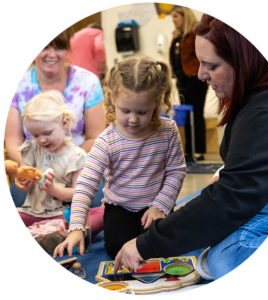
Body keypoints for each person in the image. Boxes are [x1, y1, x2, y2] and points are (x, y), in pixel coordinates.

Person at [113, 13, 268, 281]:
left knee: (223, 258)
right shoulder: (256, 97)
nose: (200, 74)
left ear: (243, 62)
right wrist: (226, 172)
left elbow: (231, 199)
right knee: (186, 211)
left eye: (210, 65)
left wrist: (146, 244)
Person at [53, 57, 187, 259]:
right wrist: (77, 227)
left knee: (159, 247)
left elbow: (176, 171)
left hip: (155, 206)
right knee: (116, 249)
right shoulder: (107, 140)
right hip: (120, 207)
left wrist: (160, 205)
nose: (133, 119)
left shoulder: (168, 131)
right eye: (125, 110)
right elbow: (86, 184)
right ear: (112, 100)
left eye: (142, 112)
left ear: (157, 103)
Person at [5, 26, 106, 209]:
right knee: (20, 206)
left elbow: (96, 137)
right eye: (44, 47)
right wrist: (31, 170)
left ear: (67, 49)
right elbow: (13, 142)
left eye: (59, 47)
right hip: (33, 162)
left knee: (96, 204)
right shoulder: (20, 85)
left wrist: (67, 163)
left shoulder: (88, 81)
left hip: (78, 162)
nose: (52, 54)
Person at [15, 90, 103, 237]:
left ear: (64, 123)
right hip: (32, 214)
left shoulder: (77, 156)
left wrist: (54, 189)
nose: (42, 140)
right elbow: (21, 182)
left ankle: (47, 234)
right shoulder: (32, 149)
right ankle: (49, 234)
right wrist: (23, 184)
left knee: (102, 214)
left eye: (47, 133)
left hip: (63, 216)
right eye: (35, 135)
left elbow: (79, 194)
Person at [170, 5, 208, 161]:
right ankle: (189, 150)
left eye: (175, 17)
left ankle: (198, 151)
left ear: (185, 16)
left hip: (196, 79)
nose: (173, 20)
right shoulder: (176, 37)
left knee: (196, 114)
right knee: (186, 115)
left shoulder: (194, 35)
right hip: (181, 80)